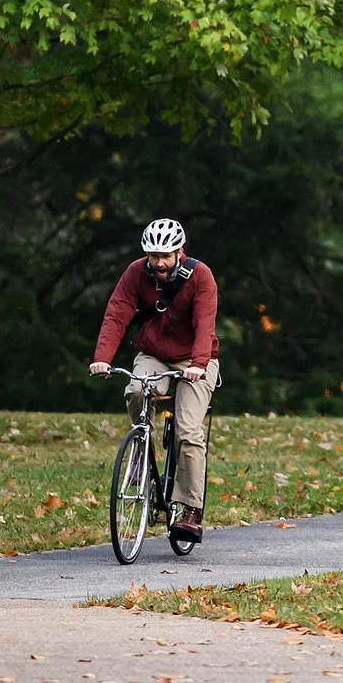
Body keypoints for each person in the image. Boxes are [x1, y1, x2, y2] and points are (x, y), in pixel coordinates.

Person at [89, 218, 219, 544]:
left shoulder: (200, 276)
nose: (159, 262)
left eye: (165, 255)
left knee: (188, 430)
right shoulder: (136, 272)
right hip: (154, 353)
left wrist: (199, 364)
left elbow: (205, 325)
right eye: (153, 255)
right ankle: (140, 452)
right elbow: (117, 313)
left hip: (196, 359)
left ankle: (191, 510)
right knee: (135, 389)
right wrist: (102, 357)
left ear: (178, 252)